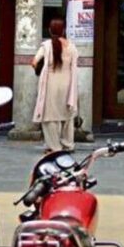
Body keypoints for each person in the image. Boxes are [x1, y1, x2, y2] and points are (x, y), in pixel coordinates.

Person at [33, 18, 78, 152]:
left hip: (50, 83)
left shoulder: (46, 46)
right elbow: (74, 66)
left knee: (49, 116)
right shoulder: (71, 46)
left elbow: (34, 62)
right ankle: (68, 144)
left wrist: (39, 69)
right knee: (67, 114)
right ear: (64, 30)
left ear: (49, 30)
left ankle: (54, 147)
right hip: (67, 82)